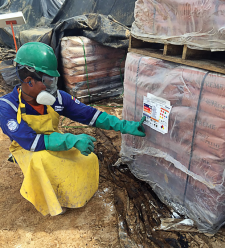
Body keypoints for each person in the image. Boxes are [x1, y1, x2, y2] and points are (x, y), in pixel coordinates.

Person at [0, 42, 146, 216]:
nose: (52, 87)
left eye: (54, 80)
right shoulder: (7, 107)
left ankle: (67, 191)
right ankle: (51, 202)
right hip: (27, 148)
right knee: (39, 161)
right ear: (29, 80)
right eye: (47, 81)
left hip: (54, 140)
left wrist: (123, 125)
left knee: (88, 159)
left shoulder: (58, 99)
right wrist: (71, 140)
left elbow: (89, 115)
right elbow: (31, 141)